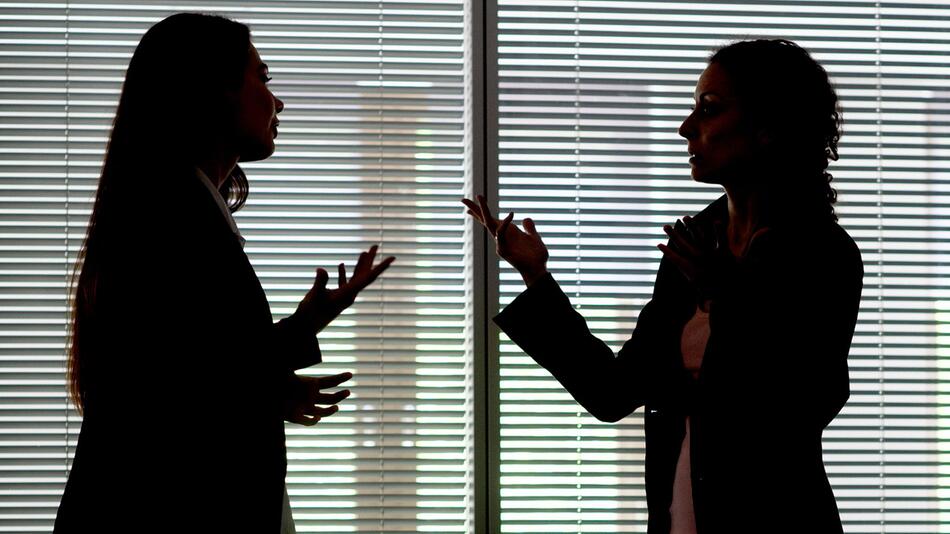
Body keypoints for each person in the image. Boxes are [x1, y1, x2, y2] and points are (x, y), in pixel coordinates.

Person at [464, 39, 863, 533]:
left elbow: (806, 402)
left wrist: (724, 294)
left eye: (709, 109)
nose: (685, 127)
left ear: (769, 129)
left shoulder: (821, 254)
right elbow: (612, 393)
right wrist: (535, 277)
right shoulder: (693, 248)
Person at [55, 13, 394, 533]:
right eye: (263, 78)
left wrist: (281, 366)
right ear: (214, 90)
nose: (277, 102)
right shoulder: (171, 215)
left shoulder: (175, 206)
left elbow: (188, 372)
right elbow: (173, 388)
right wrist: (298, 337)